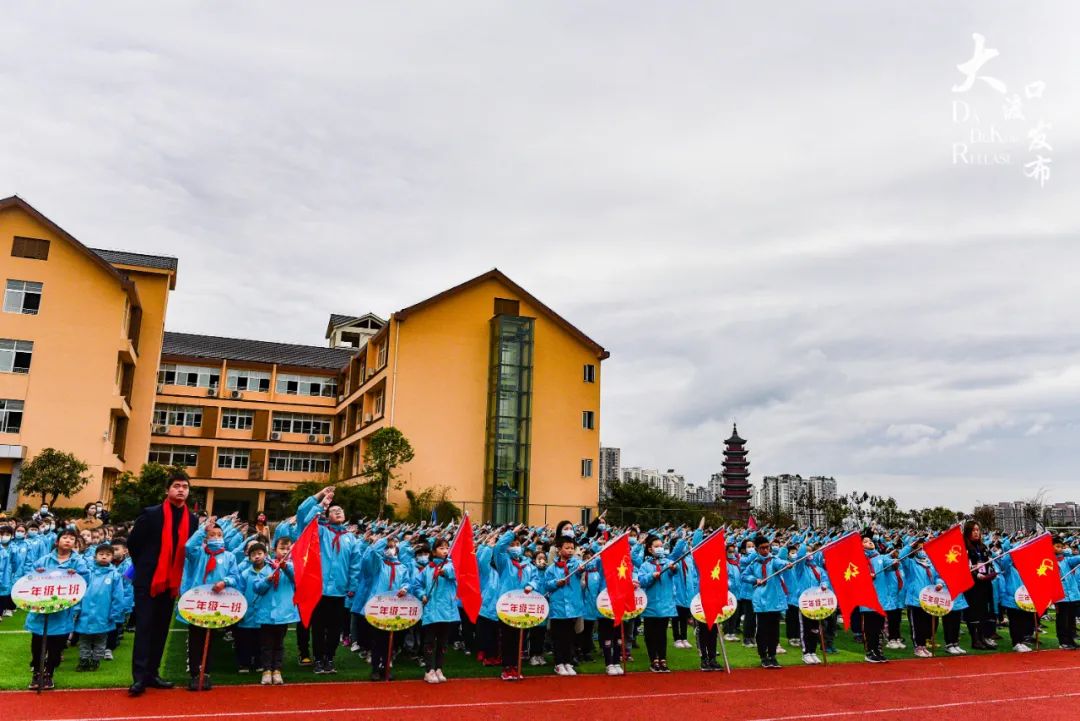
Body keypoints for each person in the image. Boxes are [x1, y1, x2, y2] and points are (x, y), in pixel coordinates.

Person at [126, 471, 198, 696]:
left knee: (160, 630)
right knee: (145, 628)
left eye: (185, 487)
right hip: (149, 580)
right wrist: (148, 567)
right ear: (168, 490)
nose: (181, 490)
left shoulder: (192, 520)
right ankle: (138, 678)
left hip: (171, 583)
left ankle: (152, 674)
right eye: (176, 486)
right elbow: (133, 544)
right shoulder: (151, 514)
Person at [295, 487, 361, 674]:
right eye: (334, 510)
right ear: (327, 515)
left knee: (334, 629)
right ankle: (318, 659)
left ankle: (329, 658)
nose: (338, 511)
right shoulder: (319, 531)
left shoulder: (350, 538)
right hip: (319, 589)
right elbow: (303, 515)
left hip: (339, 590)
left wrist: (352, 586)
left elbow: (354, 565)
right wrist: (321, 502)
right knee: (318, 627)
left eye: (340, 510)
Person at [179, 515, 241, 690]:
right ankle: (194, 673)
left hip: (217, 604)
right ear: (206, 539)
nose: (216, 538)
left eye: (219, 535)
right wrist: (202, 529)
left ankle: (206, 672)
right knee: (195, 638)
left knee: (210, 638)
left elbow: (235, 577)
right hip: (197, 602)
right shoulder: (199, 553)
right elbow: (188, 546)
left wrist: (225, 582)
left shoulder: (229, 557)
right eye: (212, 535)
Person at [23, 528, 89, 690]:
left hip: (62, 612)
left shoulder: (78, 562)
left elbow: (85, 581)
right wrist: (35, 573)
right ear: (57, 541)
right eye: (65, 537)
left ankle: (49, 673)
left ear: (75, 544)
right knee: (37, 643)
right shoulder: (44, 560)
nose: (68, 541)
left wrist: (77, 575)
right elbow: (28, 578)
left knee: (56, 646)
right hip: (42, 610)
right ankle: (37, 673)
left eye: (72, 539)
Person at [493, 524, 538, 681]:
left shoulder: (528, 565)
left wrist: (531, 586)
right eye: (512, 545)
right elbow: (498, 547)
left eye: (517, 545)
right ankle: (507, 667)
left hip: (522, 605)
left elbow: (535, 578)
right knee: (507, 637)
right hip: (506, 605)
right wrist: (511, 534)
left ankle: (516, 666)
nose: (515, 547)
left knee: (520, 636)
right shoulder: (504, 561)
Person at [740, 534, 791, 669]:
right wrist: (754, 580)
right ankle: (763, 656)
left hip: (774, 600)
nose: (766, 550)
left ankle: (773, 655)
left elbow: (782, 564)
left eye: (767, 547)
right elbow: (743, 576)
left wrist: (788, 565)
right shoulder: (754, 563)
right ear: (757, 549)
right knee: (762, 630)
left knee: (774, 630)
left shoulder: (774, 560)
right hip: (761, 601)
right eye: (762, 548)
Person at [73, 544, 125, 671]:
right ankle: (83, 660)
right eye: (101, 554)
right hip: (85, 613)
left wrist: (115, 613)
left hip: (104, 613)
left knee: (100, 639)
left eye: (107, 555)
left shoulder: (115, 575)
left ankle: (96, 660)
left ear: (112, 558)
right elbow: (79, 591)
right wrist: (76, 610)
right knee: (84, 639)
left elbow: (118, 596)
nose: (104, 557)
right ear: (95, 556)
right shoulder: (88, 573)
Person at [254, 536, 298, 685]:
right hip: (266, 612)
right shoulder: (264, 567)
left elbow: (297, 579)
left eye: (288, 549)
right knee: (266, 643)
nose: (285, 552)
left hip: (283, 613)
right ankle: (266, 670)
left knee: (279, 643)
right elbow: (257, 588)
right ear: (274, 550)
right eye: (282, 548)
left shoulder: (291, 567)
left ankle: (277, 669)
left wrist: (286, 567)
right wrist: (267, 580)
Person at [412, 537, 457, 683]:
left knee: (443, 642)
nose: (445, 550)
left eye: (446, 548)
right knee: (430, 640)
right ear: (433, 551)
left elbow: (453, 574)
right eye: (441, 548)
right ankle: (429, 670)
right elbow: (417, 585)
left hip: (447, 610)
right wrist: (422, 595)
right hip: (431, 609)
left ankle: (439, 668)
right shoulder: (427, 568)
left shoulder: (451, 565)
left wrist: (443, 572)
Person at [636, 534, 679, 672]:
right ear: (650, 549)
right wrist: (651, 576)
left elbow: (675, 571)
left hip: (665, 604)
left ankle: (662, 658)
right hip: (651, 605)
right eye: (656, 546)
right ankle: (653, 659)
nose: (660, 548)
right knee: (650, 634)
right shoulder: (645, 565)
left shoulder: (667, 563)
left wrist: (673, 568)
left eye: (661, 546)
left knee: (662, 633)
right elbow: (642, 581)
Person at [544, 533, 584, 676]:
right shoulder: (551, 569)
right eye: (567, 548)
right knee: (558, 637)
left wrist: (581, 568)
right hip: (558, 609)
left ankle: (568, 662)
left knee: (569, 637)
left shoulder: (576, 565)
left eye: (572, 548)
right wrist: (556, 583)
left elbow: (584, 568)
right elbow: (547, 585)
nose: (570, 551)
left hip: (572, 608)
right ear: (559, 549)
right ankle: (558, 663)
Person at [961, 521, 997, 650]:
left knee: (984, 612)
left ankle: (983, 637)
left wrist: (992, 572)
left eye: (978, 530)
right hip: (973, 585)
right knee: (974, 612)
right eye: (973, 530)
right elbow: (966, 566)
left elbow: (989, 563)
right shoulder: (965, 547)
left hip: (985, 583)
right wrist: (976, 574)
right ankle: (975, 639)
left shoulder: (983, 547)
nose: (976, 532)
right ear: (968, 532)